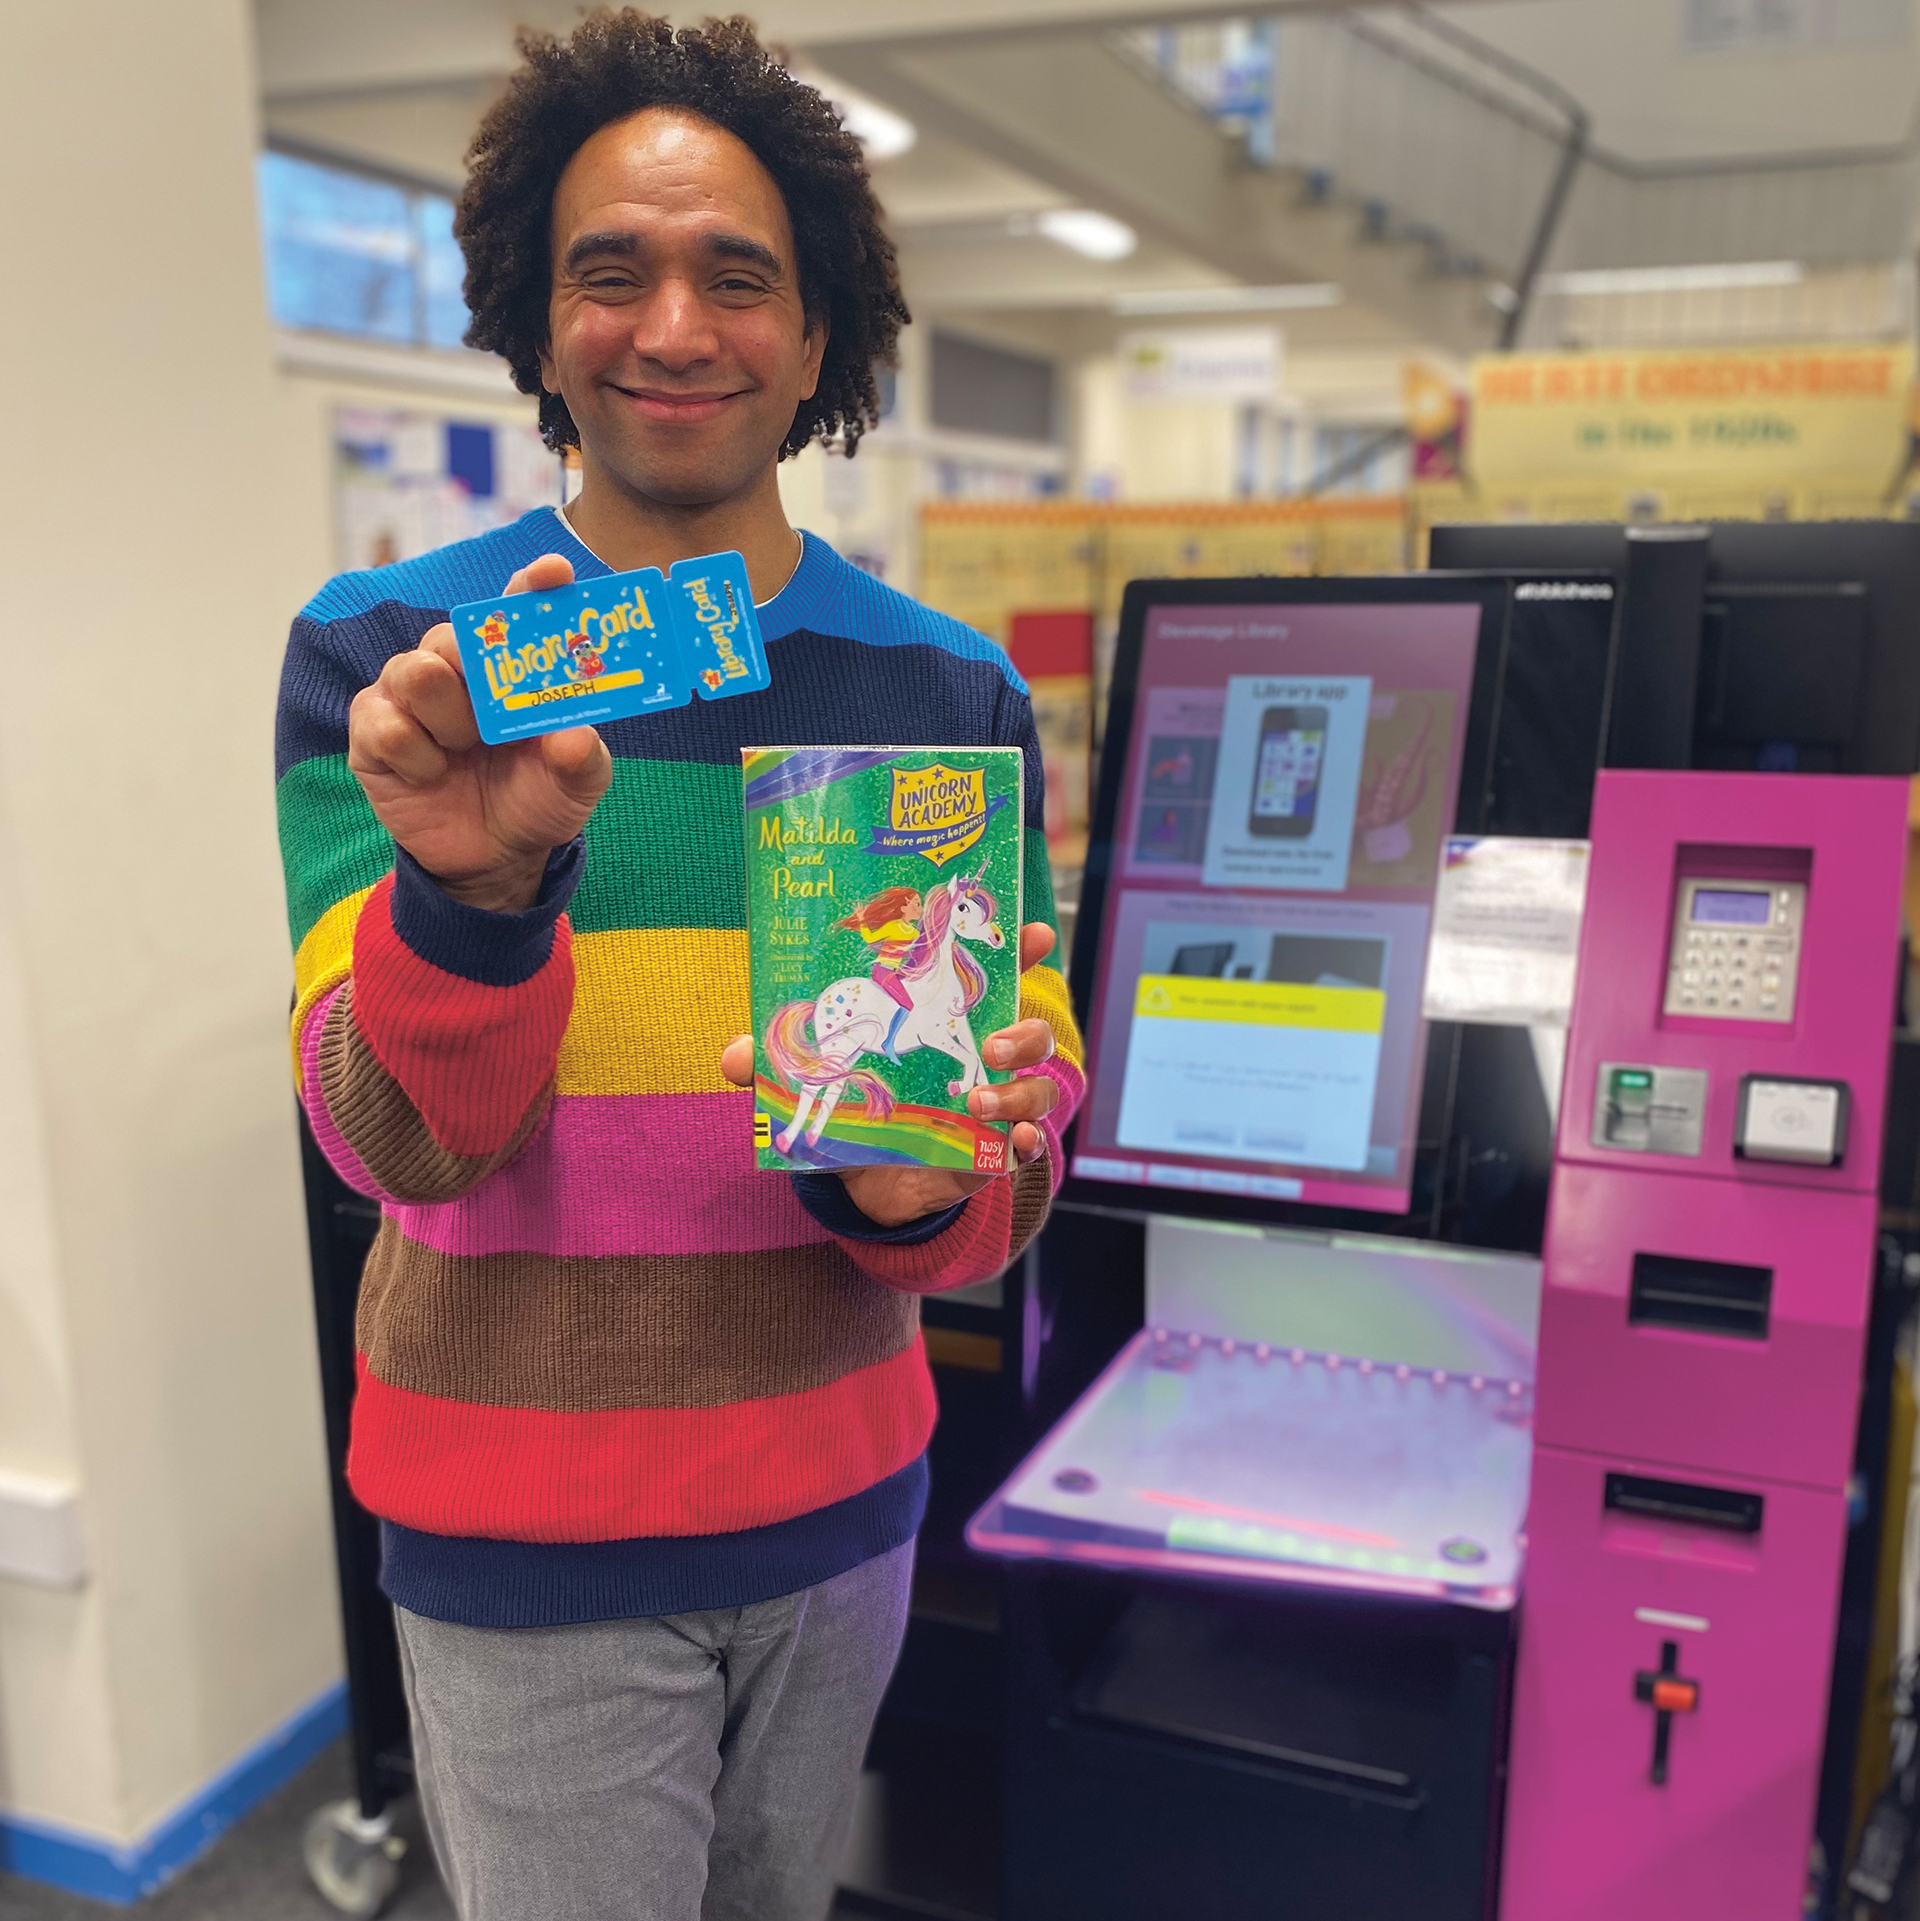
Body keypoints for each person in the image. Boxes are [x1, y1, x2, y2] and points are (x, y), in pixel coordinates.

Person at [273, 14, 1085, 1920]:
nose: (674, 325)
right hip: (521, 1536)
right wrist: (478, 895)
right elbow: (390, 1144)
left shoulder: (941, 692)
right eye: (608, 271)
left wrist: (911, 1187)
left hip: (836, 1515)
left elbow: (1014, 1134)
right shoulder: (400, 663)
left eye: (741, 275)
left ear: (817, 340)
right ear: (532, 320)